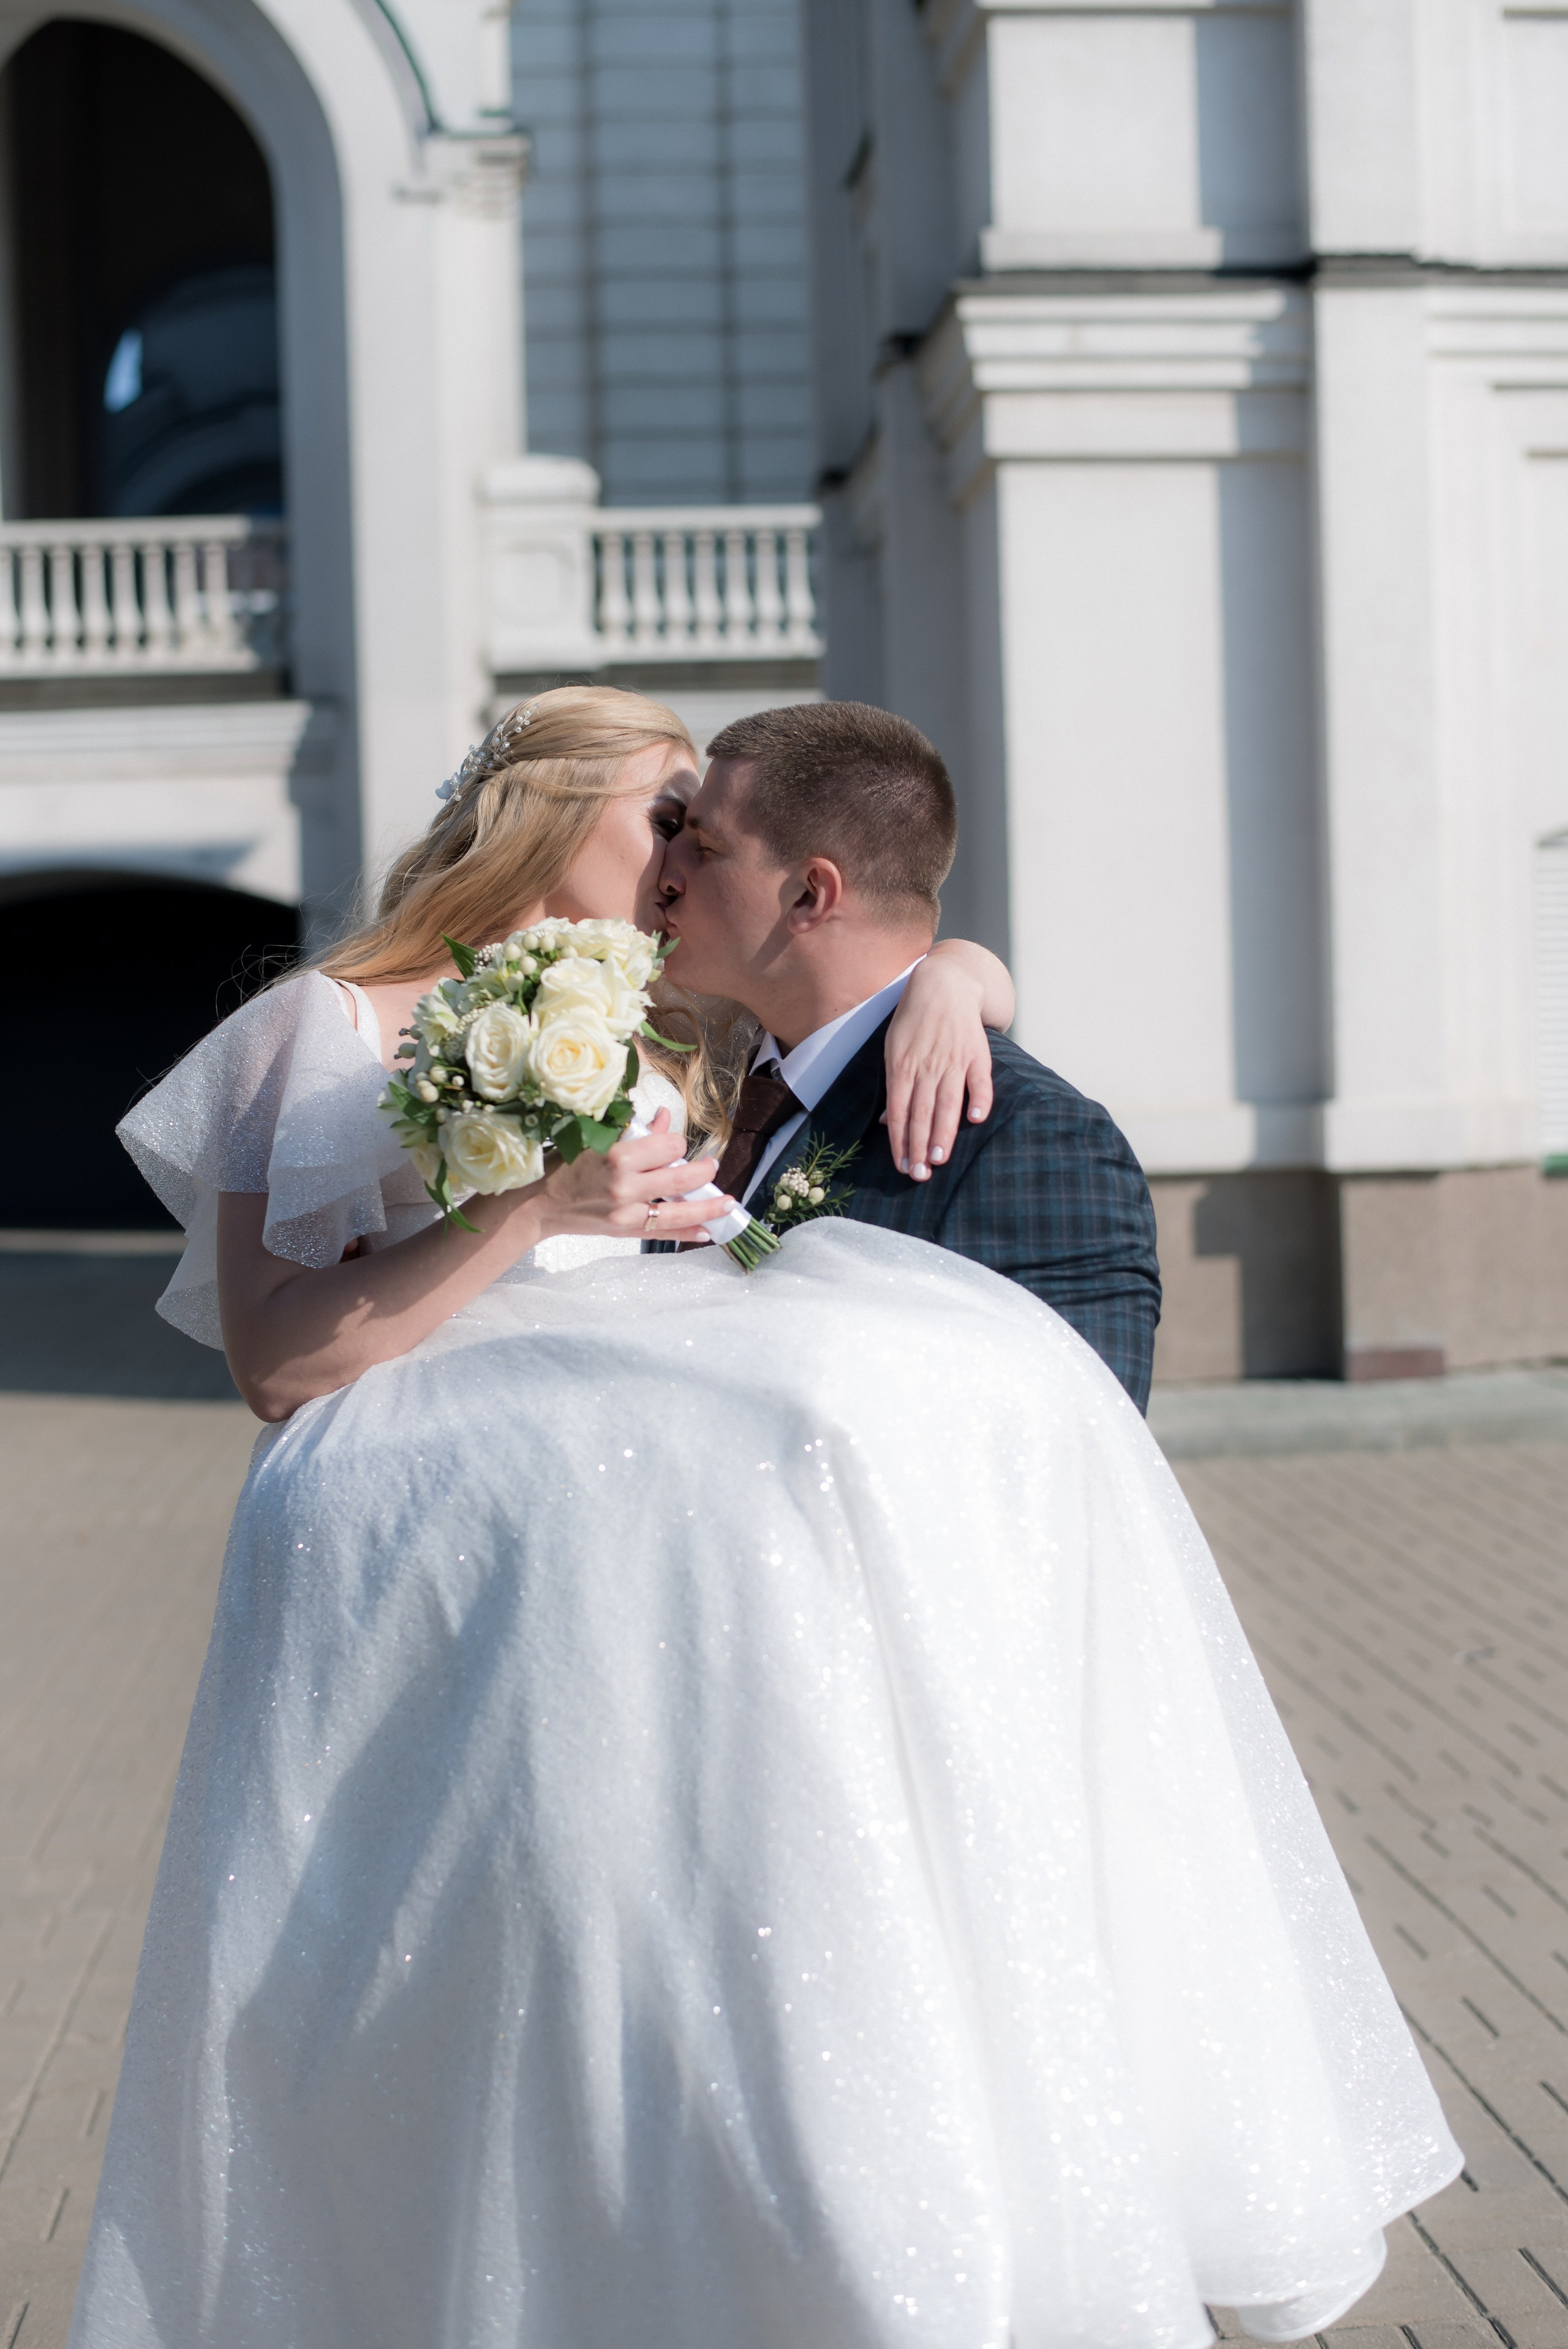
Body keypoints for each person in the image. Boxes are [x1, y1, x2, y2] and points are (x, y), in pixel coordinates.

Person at [71, 687, 1459, 2349]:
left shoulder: (676, 1024)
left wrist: (957, 975)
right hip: (461, 1576)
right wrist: (523, 1212)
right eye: (662, 814)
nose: (677, 857)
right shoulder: (328, 1025)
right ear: (546, 811)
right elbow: (279, 1364)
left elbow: (859, 942)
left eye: (695, 831)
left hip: (675, 1608)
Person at [654, 699, 1162, 1409]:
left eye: (705, 848)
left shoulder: (1025, 1137)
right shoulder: (690, 1079)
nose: (667, 872)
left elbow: (1080, 1442)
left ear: (809, 894)